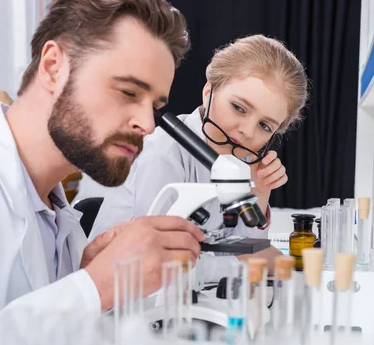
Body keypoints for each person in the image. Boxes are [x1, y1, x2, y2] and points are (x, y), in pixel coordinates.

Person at [0, 0, 206, 316]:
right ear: (54, 68)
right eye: (128, 92)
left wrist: (85, 284)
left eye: (155, 106)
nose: (148, 124)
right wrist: (93, 288)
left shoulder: (62, 226)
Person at [90, 34, 308, 278]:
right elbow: (160, 265)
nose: (247, 131)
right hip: (122, 294)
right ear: (208, 91)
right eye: (238, 108)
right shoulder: (165, 151)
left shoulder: (242, 159)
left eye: (265, 126)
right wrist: (244, 265)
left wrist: (261, 192)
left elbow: (247, 246)